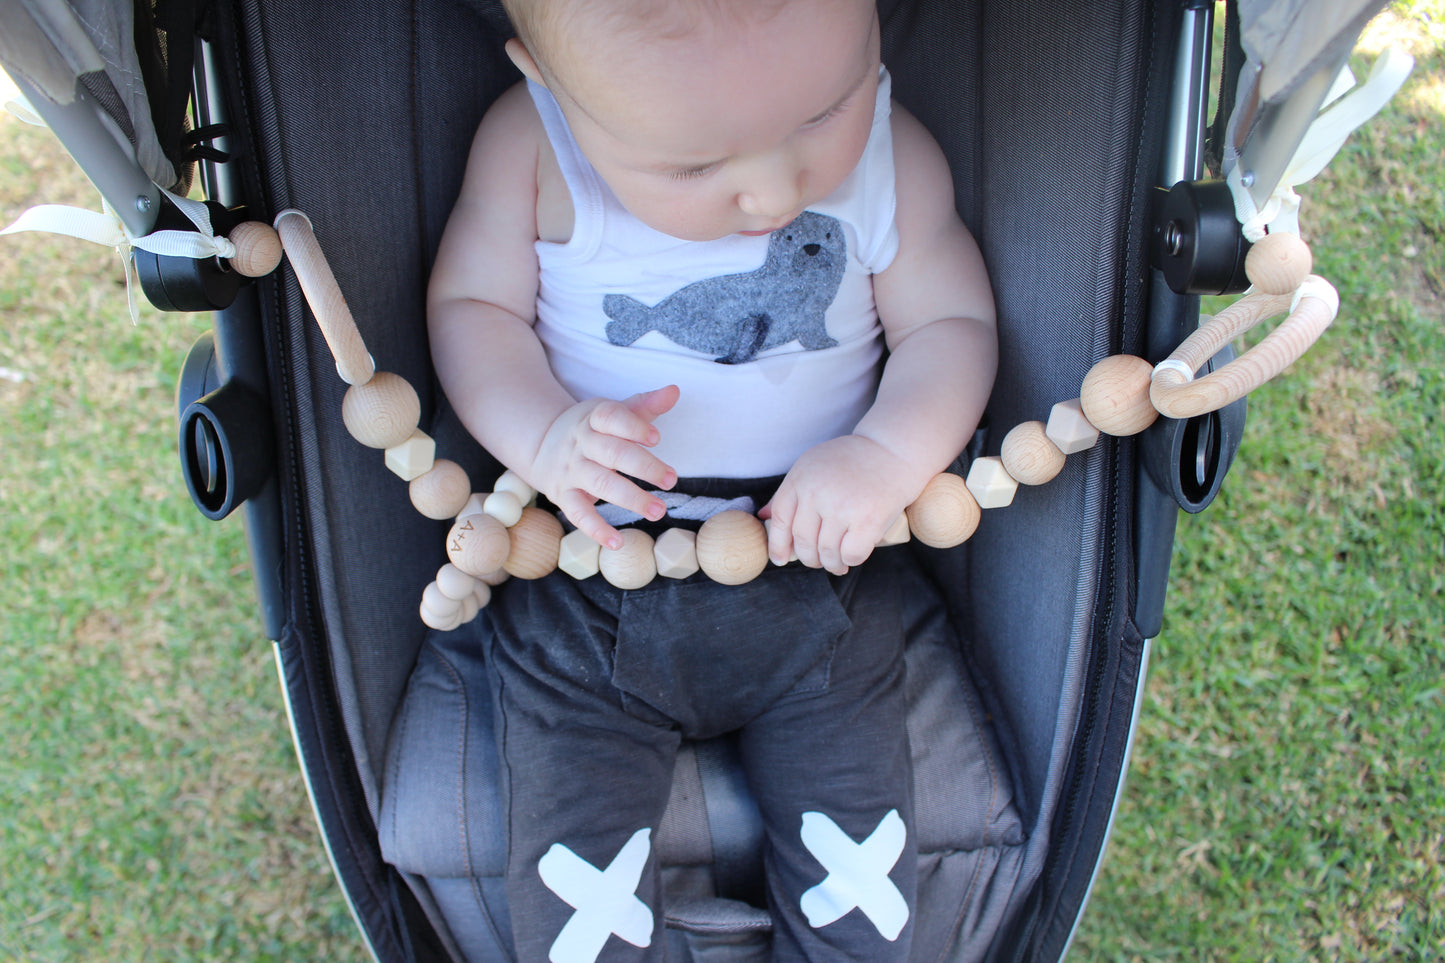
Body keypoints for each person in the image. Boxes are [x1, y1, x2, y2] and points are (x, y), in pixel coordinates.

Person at [426, 0, 996, 959]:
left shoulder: (896, 157)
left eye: (824, 111)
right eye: (692, 165)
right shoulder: (530, 151)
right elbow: (473, 308)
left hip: (818, 569)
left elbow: (951, 328)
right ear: (548, 83)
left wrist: (884, 456)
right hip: (588, 579)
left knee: (860, 870)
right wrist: (544, 434)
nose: (776, 194)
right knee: (576, 884)